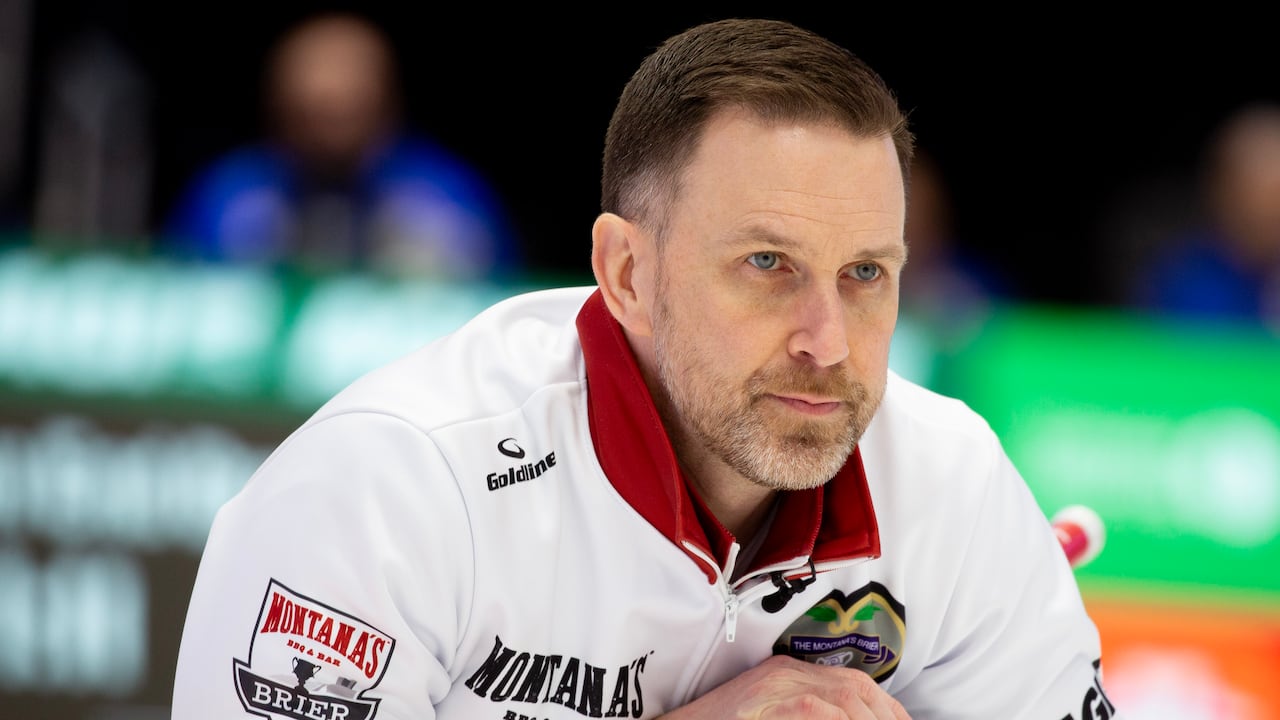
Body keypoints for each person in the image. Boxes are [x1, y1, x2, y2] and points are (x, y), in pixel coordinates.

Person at [172, 18, 1118, 719]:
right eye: (766, 265)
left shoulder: (952, 486)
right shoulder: (390, 487)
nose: (827, 339)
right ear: (628, 273)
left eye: (865, 273)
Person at [158, 12, 522, 279]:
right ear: (278, 112)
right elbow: (175, 294)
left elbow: (495, 315)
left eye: (348, 112)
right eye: (309, 113)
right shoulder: (227, 196)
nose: (327, 136)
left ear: (387, 106)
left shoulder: (449, 201)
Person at [1128, 101, 1280, 331]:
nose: (1264, 215)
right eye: (1254, 194)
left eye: (1275, 199)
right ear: (1221, 193)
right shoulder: (1183, 279)